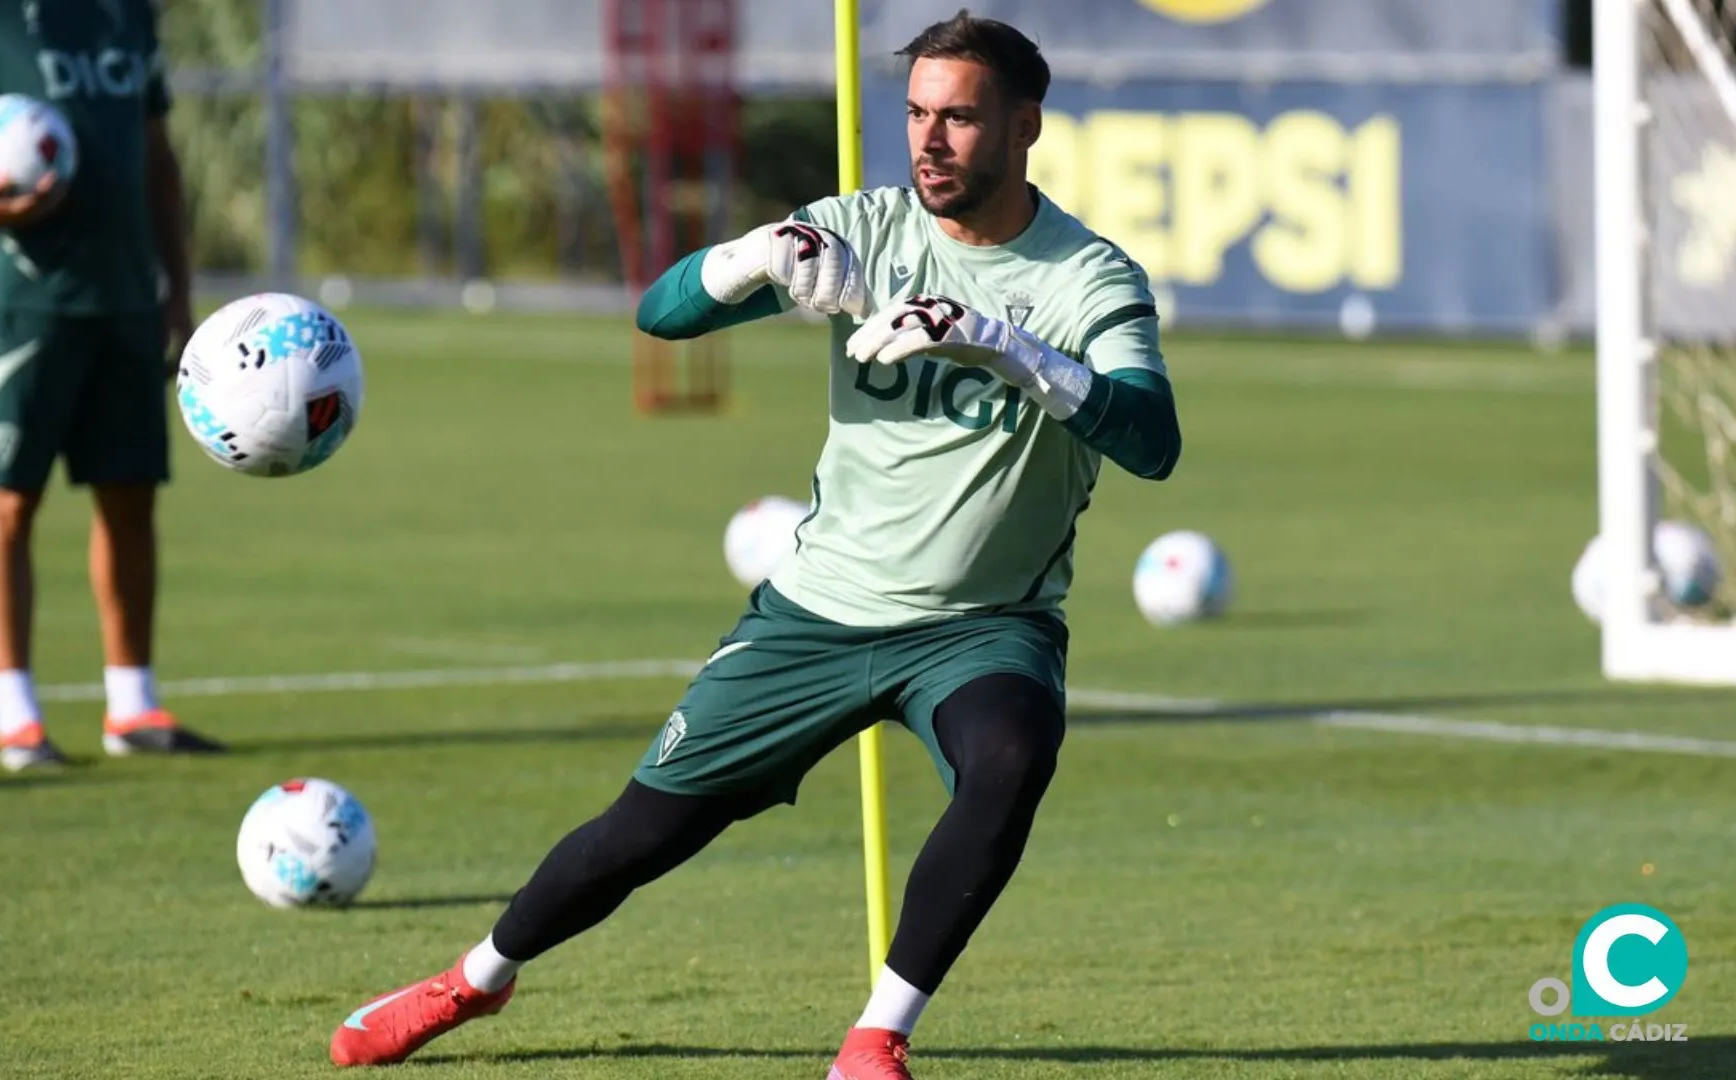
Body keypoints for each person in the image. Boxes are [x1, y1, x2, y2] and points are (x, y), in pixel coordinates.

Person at [326, 10, 1180, 1079]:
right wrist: (747, 258)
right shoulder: (862, 223)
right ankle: (472, 982)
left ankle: (877, 1038)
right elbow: (660, 316)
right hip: (817, 614)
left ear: (1025, 128)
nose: (929, 141)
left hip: (982, 628)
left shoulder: (1088, 278)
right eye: (916, 114)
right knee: (638, 835)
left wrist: (1007, 346)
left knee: (1011, 755)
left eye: (959, 119)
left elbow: (1152, 441)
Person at [0, 0, 224, 771]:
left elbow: (157, 157)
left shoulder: (127, 15)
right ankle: (18, 719)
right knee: (10, 497)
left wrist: (176, 291)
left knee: (132, 492)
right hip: (21, 298)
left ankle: (133, 703)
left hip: (124, 298)